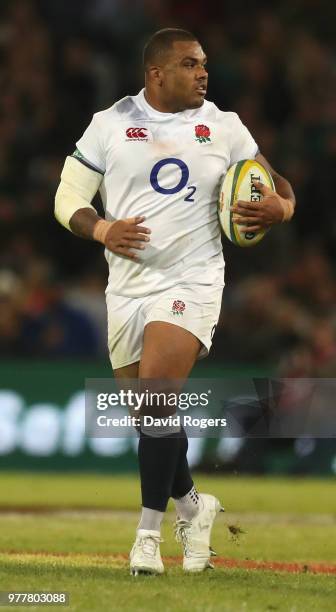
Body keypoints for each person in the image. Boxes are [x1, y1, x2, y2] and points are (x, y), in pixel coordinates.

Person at [54, 28, 296, 575]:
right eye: (190, 64)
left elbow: (280, 186)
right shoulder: (110, 124)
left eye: (204, 63)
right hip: (127, 287)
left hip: (193, 280)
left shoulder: (226, 126)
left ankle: (146, 535)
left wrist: (281, 209)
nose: (203, 73)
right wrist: (102, 230)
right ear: (156, 73)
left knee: (159, 394)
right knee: (149, 414)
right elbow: (67, 198)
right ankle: (193, 506)